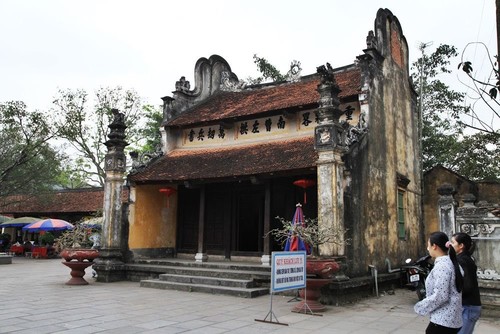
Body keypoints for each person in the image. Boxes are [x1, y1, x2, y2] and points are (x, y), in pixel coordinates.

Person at [414, 231, 463, 334]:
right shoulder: (452, 263)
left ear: (434, 246)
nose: (428, 249)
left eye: (428, 245)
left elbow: (441, 296)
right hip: (453, 319)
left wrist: (421, 306)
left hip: (443, 321)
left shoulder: (442, 266)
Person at [451, 232, 481, 334]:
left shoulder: (462, 260)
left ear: (461, 246)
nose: (450, 245)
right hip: (468, 306)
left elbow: (467, 286)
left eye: (453, 242)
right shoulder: (466, 258)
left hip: (468, 307)